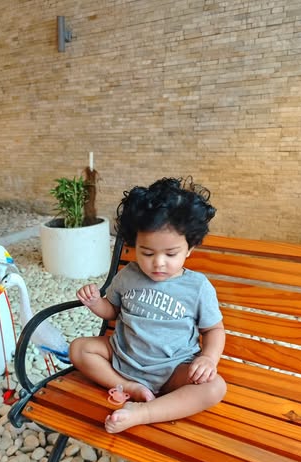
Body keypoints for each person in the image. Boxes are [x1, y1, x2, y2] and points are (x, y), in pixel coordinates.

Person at [69, 177, 226, 434]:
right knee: (79, 348)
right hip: (123, 357)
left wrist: (208, 358)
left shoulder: (197, 287)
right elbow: (112, 312)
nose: (158, 263)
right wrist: (96, 302)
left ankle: (143, 412)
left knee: (215, 387)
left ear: (189, 248)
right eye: (147, 253)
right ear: (135, 244)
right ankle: (130, 388)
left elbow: (213, 330)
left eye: (171, 254)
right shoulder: (128, 275)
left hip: (173, 369)